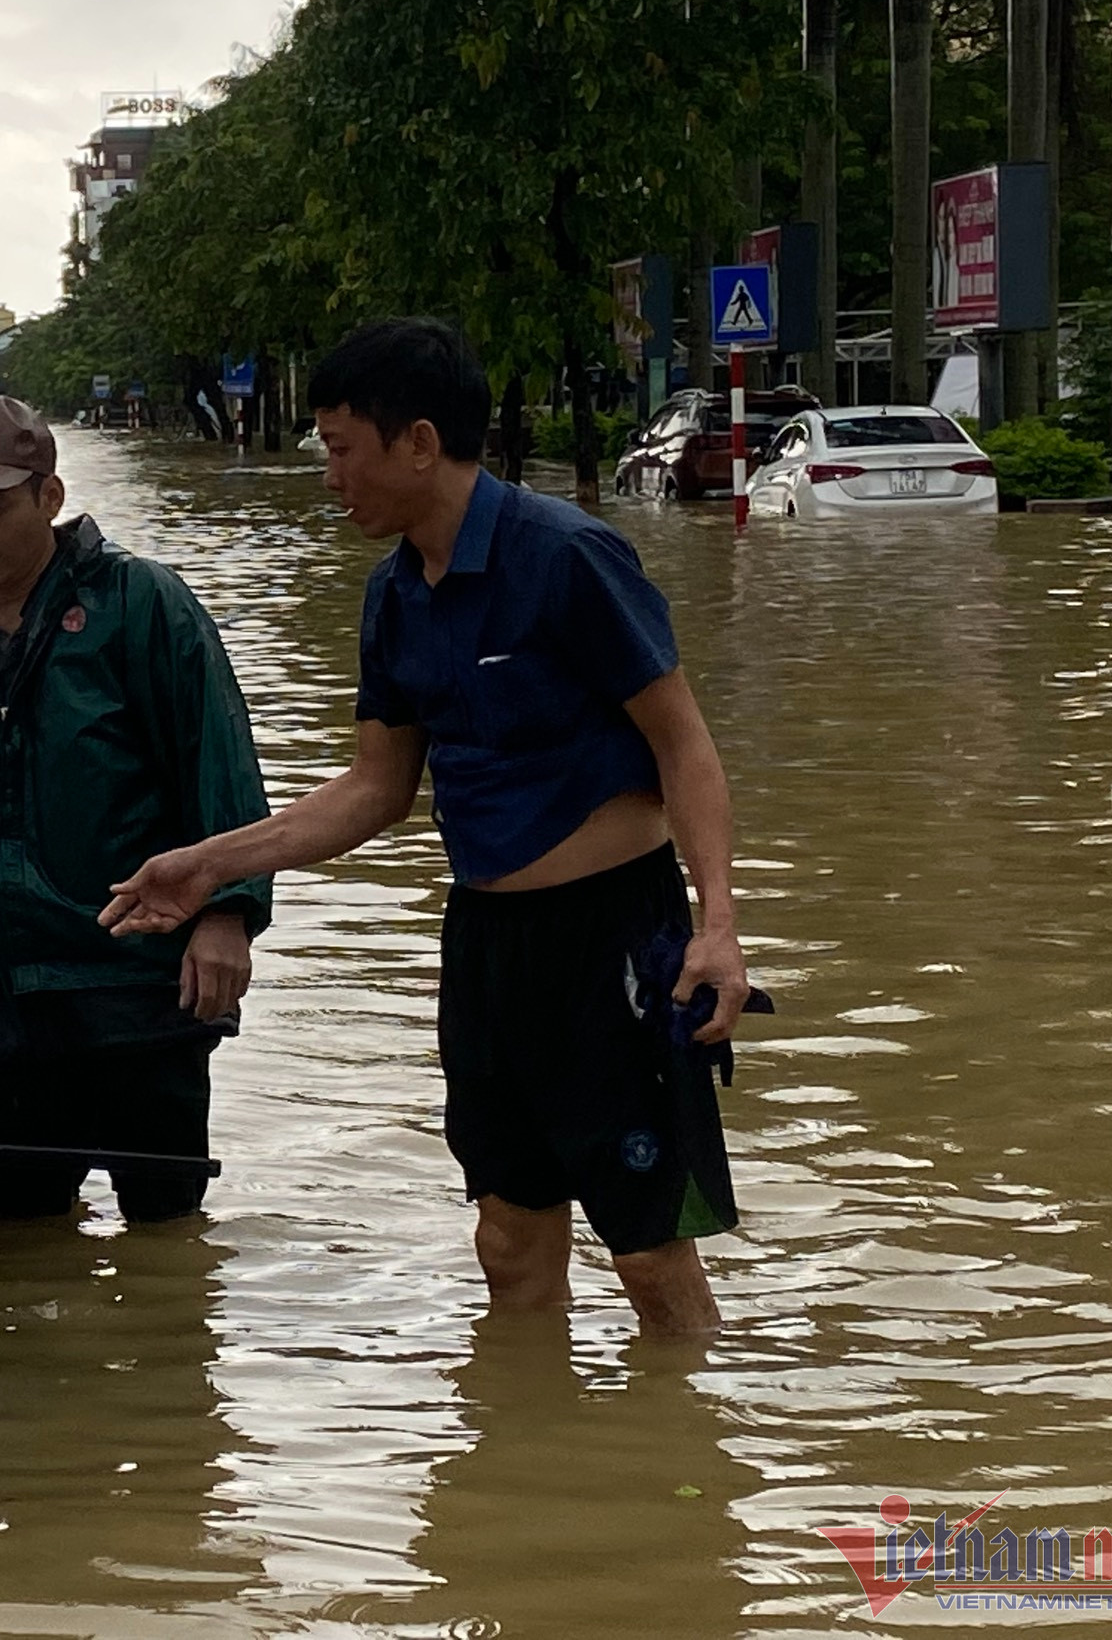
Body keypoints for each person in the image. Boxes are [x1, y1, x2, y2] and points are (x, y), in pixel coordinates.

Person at [103, 318, 753, 1334]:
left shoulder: (567, 556)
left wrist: (718, 927)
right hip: (486, 945)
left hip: (612, 939)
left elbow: (685, 746)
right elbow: (376, 788)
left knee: (648, 1252)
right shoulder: (395, 596)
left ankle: (688, 1426)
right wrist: (207, 864)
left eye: (340, 449)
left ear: (417, 442)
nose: (330, 477)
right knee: (507, 1238)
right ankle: (528, 1426)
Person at [0, 395, 271, 1223]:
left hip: (140, 991)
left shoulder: (140, 605)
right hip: (16, 1007)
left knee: (167, 1234)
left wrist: (228, 916)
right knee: (15, 1232)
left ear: (49, 497)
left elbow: (218, 765)